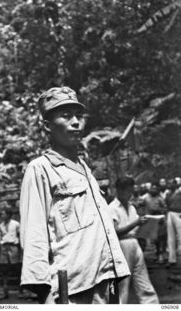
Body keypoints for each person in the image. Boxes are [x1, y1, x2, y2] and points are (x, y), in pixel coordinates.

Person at [20, 86, 130, 304]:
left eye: (79, 115)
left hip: (108, 279)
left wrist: (115, 286)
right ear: (47, 126)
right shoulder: (40, 169)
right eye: (65, 115)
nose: (75, 122)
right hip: (72, 288)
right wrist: (45, 296)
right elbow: (33, 235)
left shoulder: (84, 168)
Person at [109, 176, 159, 304]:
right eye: (127, 191)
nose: (130, 194)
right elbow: (115, 232)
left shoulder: (131, 207)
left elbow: (137, 227)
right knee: (123, 283)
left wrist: (149, 224)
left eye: (131, 191)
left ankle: (151, 304)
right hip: (122, 245)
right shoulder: (112, 208)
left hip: (134, 242)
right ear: (119, 190)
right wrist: (136, 223)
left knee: (142, 277)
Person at [142, 183, 167, 263]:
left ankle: (161, 255)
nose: (154, 190)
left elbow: (165, 208)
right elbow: (141, 204)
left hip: (159, 219)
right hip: (151, 219)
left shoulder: (160, 198)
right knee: (154, 239)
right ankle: (156, 253)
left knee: (161, 238)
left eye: (155, 188)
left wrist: (158, 210)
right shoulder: (146, 197)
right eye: (152, 188)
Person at [0, 207, 20, 299]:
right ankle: (5, 290)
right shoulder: (1, 225)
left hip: (13, 247)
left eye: (3, 213)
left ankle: (21, 289)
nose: (2, 215)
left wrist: (17, 244)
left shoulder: (16, 224)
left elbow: (19, 235)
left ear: (8, 214)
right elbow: (1, 236)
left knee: (16, 268)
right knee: (4, 269)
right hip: (4, 247)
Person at [166, 179, 181, 267]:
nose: (169, 185)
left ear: (175, 184)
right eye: (169, 183)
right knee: (170, 237)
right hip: (170, 213)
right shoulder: (168, 194)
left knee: (180, 236)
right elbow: (167, 205)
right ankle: (172, 259)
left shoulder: (179, 192)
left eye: (171, 183)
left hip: (179, 213)